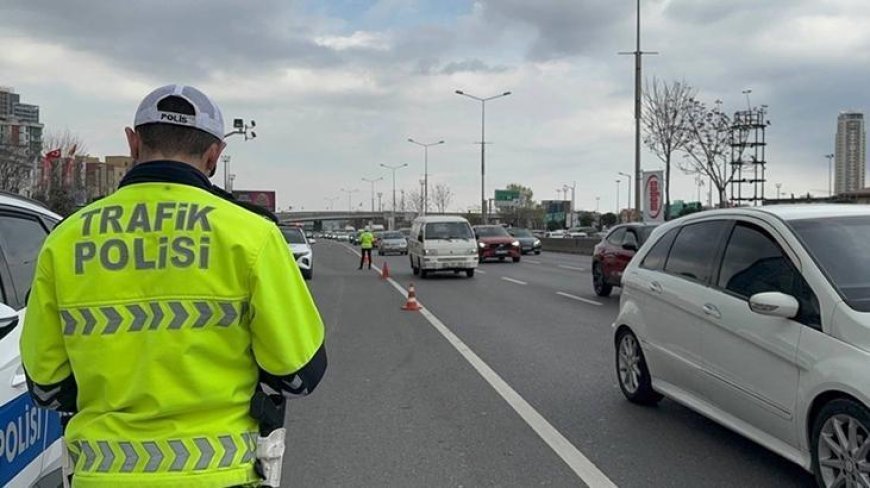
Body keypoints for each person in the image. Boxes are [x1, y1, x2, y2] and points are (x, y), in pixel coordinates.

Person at [21, 84, 327, 488]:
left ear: (133, 143)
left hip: (101, 475)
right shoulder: (251, 235)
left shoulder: (66, 239)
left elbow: (45, 387)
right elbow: (300, 372)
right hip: (220, 475)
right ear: (214, 154)